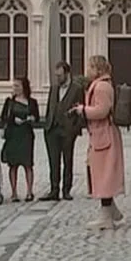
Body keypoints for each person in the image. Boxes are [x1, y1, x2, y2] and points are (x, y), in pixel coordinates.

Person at [72, 55, 127, 230]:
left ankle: (106, 217)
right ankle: (112, 211)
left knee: (104, 175)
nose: (87, 71)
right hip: (101, 134)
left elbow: (102, 111)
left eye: (89, 67)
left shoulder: (102, 87)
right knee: (101, 173)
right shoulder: (102, 85)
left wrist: (83, 110)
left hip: (104, 135)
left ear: (97, 69)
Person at [42, 61, 86, 201]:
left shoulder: (77, 89)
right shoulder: (54, 88)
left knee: (68, 160)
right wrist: (48, 123)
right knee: (53, 161)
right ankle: (54, 189)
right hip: (52, 129)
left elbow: (81, 110)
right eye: (56, 75)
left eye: (60, 75)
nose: (58, 78)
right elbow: (50, 107)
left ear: (67, 74)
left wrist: (75, 129)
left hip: (68, 130)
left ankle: (66, 190)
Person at [0, 76, 39, 201]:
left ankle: (29, 191)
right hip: (13, 134)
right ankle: (14, 192)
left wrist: (31, 118)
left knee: (28, 164)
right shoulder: (9, 102)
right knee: (13, 165)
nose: (15, 88)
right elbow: (3, 117)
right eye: (14, 86)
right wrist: (12, 120)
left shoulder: (32, 102)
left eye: (17, 86)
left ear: (24, 87)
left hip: (26, 134)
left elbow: (37, 117)